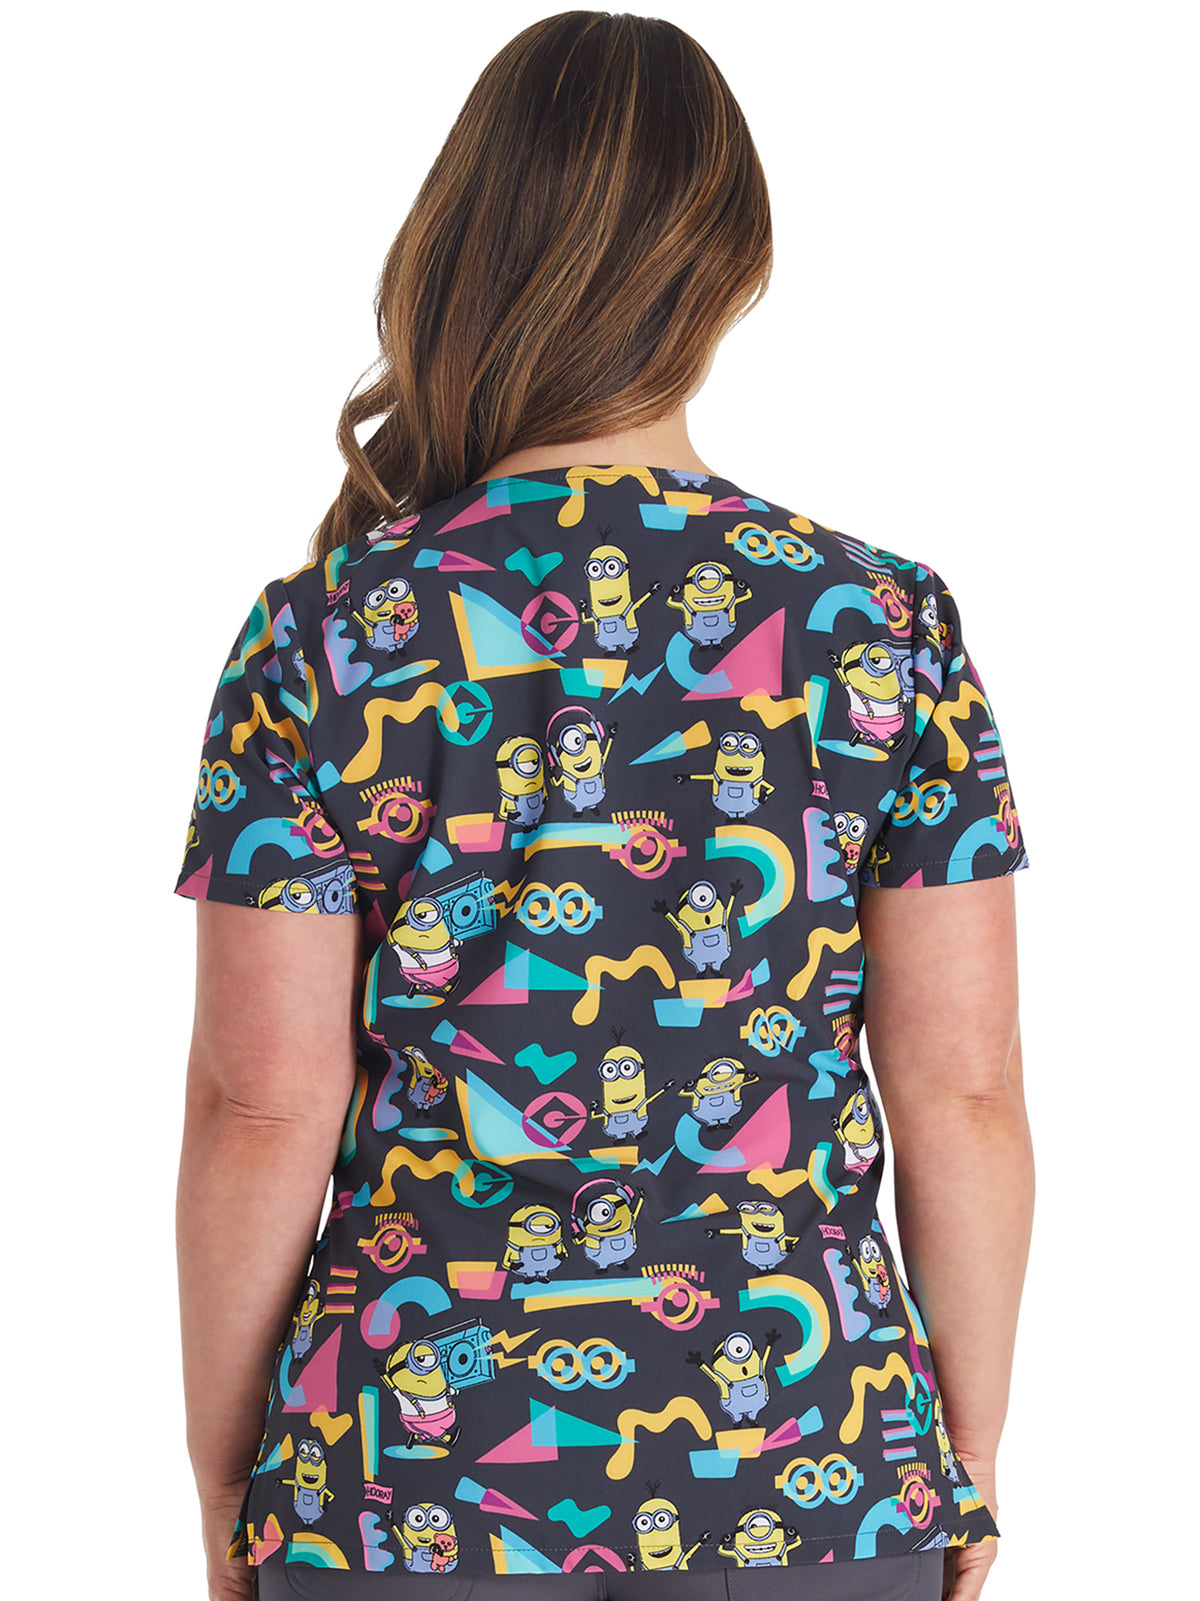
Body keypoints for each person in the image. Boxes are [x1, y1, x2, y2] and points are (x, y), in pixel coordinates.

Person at [173, 13, 1034, 1601]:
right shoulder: (878, 625)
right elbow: (962, 1090)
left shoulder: (329, 633)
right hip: (815, 1466)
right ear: (736, 267)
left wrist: (233, 1476)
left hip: (403, 1478)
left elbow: (263, 1108)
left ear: (461, 244)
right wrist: (960, 1457)